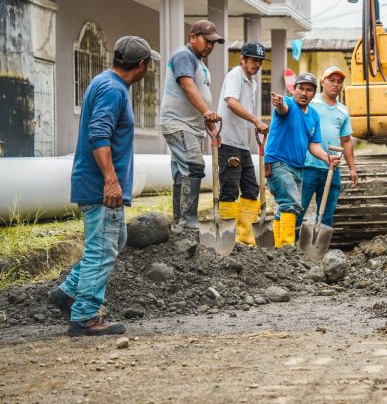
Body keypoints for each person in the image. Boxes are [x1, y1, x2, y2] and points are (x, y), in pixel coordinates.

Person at [49, 36, 159, 336]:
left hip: (95, 183)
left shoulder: (104, 82)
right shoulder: (113, 89)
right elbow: (99, 135)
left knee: (115, 239)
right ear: (141, 65)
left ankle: (68, 291)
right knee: (103, 248)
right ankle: (84, 316)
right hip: (102, 187)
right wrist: (111, 180)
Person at [159, 20, 224, 235]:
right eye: (208, 41)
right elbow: (187, 86)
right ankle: (188, 221)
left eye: (214, 43)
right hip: (178, 123)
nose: (211, 46)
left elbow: (200, 98)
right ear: (193, 37)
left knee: (181, 172)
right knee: (194, 164)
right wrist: (207, 112)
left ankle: (179, 223)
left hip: (192, 126)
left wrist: (210, 127)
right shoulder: (183, 56)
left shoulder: (201, 65)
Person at [264, 73, 338, 248]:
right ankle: (286, 248)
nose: (304, 93)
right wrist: (279, 103)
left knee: (287, 206)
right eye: (301, 88)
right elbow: (282, 109)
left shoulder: (313, 115)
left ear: (314, 93)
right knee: (291, 203)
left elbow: (314, 146)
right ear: (294, 89)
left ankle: (278, 249)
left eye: (309, 90)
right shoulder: (288, 104)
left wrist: (327, 158)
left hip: (298, 167)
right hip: (278, 162)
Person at [216, 41, 270, 247]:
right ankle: (228, 236)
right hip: (228, 142)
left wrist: (253, 126)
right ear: (243, 59)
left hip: (243, 144)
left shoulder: (252, 83)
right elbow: (231, 102)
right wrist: (256, 120)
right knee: (229, 189)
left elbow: (242, 109)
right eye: (254, 60)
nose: (257, 64)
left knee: (250, 188)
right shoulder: (235, 75)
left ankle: (245, 235)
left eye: (260, 61)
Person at [295, 66, 358, 240]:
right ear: (322, 82)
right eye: (331, 80)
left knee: (327, 214)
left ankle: (318, 249)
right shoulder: (310, 102)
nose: (336, 85)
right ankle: (290, 248)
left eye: (339, 82)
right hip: (308, 167)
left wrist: (352, 168)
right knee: (299, 209)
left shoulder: (343, 110)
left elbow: (346, 141)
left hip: (332, 169)